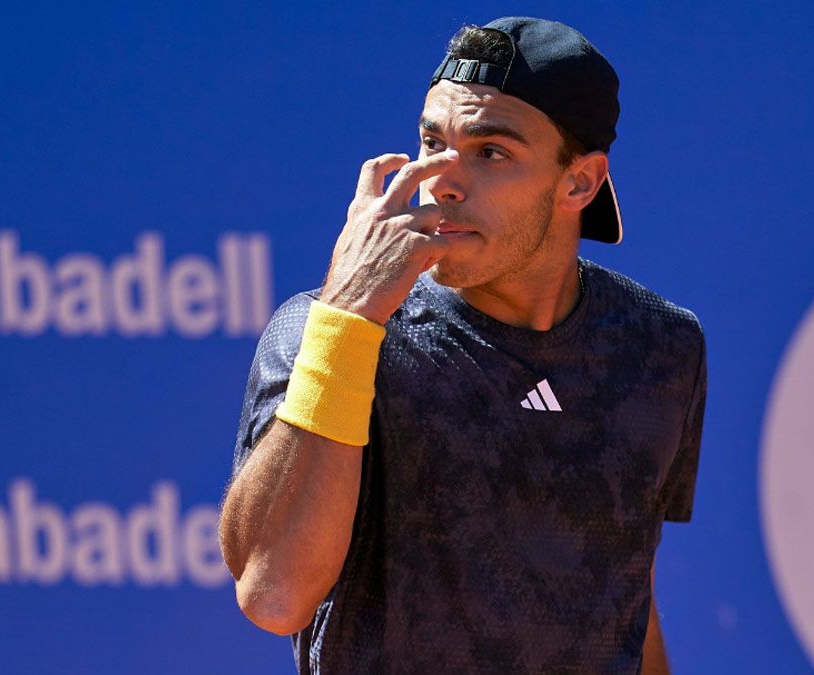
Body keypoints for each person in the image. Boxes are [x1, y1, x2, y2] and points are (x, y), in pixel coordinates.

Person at [219, 16, 706, 674]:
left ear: (579, 183)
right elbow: (274, 594)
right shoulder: (327, 332)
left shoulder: (661, 347)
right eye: (432, 141)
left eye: (490, 152)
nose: (443, 179)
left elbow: (624, 593)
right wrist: (348, 316)